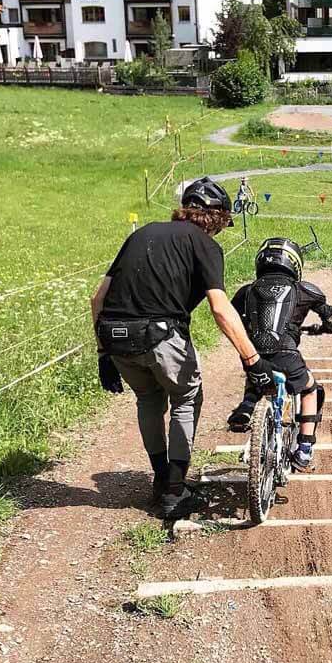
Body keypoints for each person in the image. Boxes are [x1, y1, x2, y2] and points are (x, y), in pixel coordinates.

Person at [91, 177, 275, 517]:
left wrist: (104, 355)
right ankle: (175, 491)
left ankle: (161, 479)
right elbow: (221, 308)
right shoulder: (204, 244)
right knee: (186, 398)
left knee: (148, 398)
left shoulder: (141, 233)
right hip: (160, 333)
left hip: (115, 336)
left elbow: (97, 298)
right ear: (217, 217)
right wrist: (252, 360)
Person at [226, 238, 332, 471]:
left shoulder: (245, 292)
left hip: (252, 352)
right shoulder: (304, 290)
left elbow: (232, 318)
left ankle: (247, 406)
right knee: (310, 389)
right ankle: (305, 449)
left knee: (256, 373)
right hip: (286, 353)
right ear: (295, 263)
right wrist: (324, 328)